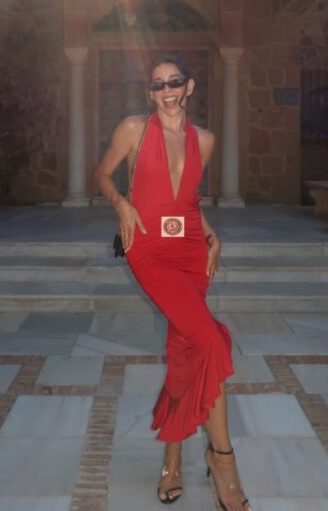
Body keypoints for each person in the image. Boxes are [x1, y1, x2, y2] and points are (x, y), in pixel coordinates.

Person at [94, 54, 251, 511]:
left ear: (189, 87)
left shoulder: (205, 140)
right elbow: (101, 174)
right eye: (158, 85)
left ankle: (173, 455)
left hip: (191, 250)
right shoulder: (133, 130)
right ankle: (223, 462)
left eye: (174, 82)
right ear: (150, 93)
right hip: (148, 249)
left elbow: (189, 200)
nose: (166, 91)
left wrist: (211, 234)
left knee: (186, 349)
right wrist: (121, 204)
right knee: (211, 341)